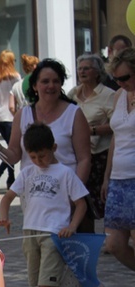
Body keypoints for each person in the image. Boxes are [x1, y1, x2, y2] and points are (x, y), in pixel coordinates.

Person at [0, 58, 91, 287]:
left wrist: (72, 192)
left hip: (63, 192)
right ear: (35, 85)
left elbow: (83, 158)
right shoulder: (24, 114)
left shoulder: (73, 113)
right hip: (34, 195)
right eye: (45, 81)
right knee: (36, 256)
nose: (51, 86)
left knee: (54, 256)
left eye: (55, 81)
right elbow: (14, 155)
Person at [0, 123, 88, 287]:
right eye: (33, 156)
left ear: (54, 148)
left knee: (48, 285)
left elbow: (81, 204)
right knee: (42, 284)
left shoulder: (65, 173)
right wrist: (4, 218)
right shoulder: (28, 172)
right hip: (31, 233)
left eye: (43, 155)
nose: (39, 160)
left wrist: (71, 226)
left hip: (54, 235)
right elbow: (7, 198)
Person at [102, 47, 135, 287]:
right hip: (119, 179)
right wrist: (107, 177)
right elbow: (115, 138)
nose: (120, 82)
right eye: (116, 78)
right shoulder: (119, 95)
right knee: (115, 245)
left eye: (124, 77)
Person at [68, 53, 116, 232]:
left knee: (102, 198)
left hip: (101, 154)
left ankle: (110, 235)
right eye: (80, 68)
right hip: (79, 155)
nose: (82, 71)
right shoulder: (73, 94)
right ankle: (89, 239)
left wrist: (91, 130)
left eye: (86, 68)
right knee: (84, 199)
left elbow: (116, 124)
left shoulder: (109, 95)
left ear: (97, 72)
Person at [0, 50, 21, 192]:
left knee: (9, 148)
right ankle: (1, 175)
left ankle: (10, 178)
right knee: (11, 149)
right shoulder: (15, 77)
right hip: (11, 116)